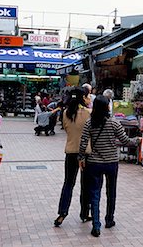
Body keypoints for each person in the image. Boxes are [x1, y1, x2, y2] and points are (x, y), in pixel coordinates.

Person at [78, 95, 135, 237]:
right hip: (111, 163)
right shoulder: (114, 123)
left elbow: (83, 142)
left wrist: (81, 158)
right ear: (107, 107)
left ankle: (96, 225)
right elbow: (125, 140)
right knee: (111, 192)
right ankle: (109, 219)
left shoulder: (89, 123)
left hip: (94, 163)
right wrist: (137, 141)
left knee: (95, 194)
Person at [54, 87, 92, 227]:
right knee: (85, 184)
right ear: (83, 97)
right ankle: (84, 213)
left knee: (68, 183)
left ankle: (62, 213)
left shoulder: (65, 113)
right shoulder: (89, 113)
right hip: (86, 153)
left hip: (70, 152)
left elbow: (65, 128)